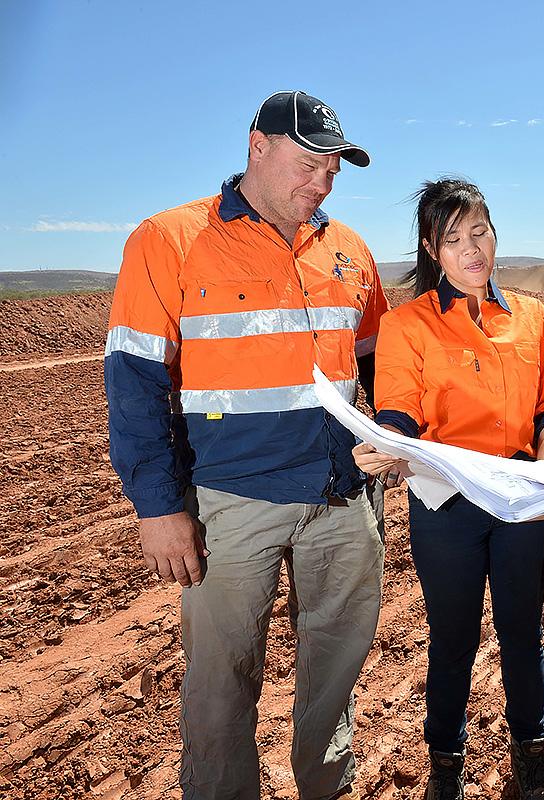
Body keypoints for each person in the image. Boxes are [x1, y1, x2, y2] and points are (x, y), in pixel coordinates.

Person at [104, 90, 388, 800]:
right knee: (220, 685)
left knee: (334, 678)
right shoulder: (168, 239)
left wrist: (401, 441)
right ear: (256, 145)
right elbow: (136, 387)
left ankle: (328, 788)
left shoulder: (349, 250)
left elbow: (383, 370)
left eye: (333, 171)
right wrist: (158, 507)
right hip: (232, 505)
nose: (320, 184)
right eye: (307, 164)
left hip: (342, 501)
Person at [352, 178, 544, 800]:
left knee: (522, 632)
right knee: (452, 637)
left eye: (480, 233)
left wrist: (538, 470)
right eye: (453, 240)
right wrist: (386, 444)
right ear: (431, 249)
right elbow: (397, 411)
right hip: (446, 504)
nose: (471, 250)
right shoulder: (407, 325)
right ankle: (445, 763)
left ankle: (532, 753)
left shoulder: (532, 316)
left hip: (522, 499)